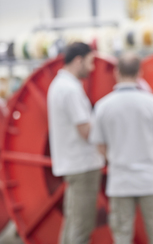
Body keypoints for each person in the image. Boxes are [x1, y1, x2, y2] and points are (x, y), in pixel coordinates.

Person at [90, 51, 153, 244]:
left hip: (120, 182)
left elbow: (100, 146)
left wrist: (117, 159)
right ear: (140, 73)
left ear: (116, 72)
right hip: (150, 180)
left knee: (122, 235)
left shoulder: (103, 106)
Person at [47, 42, 105, 244]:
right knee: (82, 227)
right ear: (78, 60)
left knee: (73, 224)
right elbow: (86, 131)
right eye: (90, 62)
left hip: (73, 165)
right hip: (83, 166)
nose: (92, 68)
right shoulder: (70, 89)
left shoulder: (59, 85)